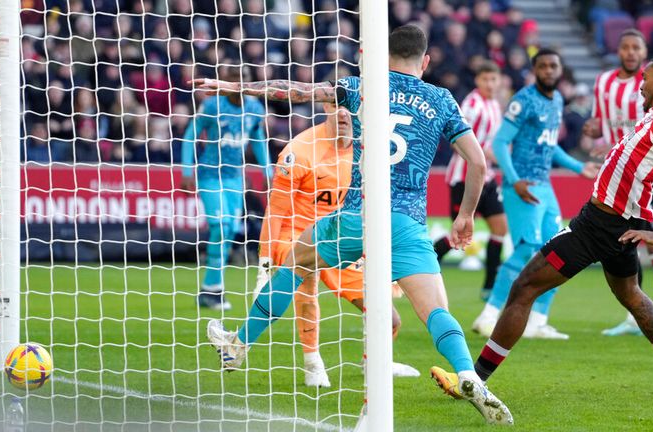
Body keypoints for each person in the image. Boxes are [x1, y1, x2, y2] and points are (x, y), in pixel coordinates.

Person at [195, 25, 513, 425]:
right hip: (408, 223)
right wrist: (465, 216)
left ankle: (239, 344)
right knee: (433, 309)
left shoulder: (360, 86)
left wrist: (232, 86)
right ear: (426, 61)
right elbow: (479, 163)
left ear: (382, 57)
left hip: (356, 215)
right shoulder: (442, 99)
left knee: (295, 264)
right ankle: (468, 375)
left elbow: (294, 91)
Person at [432, 12, 653, 405]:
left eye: (646, 79)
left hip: (599, 224)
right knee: (631, 294)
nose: (640, 87)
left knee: (524, 286)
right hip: (624, 222)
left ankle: (475, 381)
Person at [255, 102, 419, 387]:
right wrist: (264, 263)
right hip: (297, 233)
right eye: (336, 106)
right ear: (325, 108)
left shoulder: (370, 149)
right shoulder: (300, 149)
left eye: (349, 107)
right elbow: (276, 210)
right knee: (306, 284)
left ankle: (376, 362)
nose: (343, 113)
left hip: (341, 237)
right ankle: (312, 362)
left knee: (389, 317)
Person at [470, 48, 599, 340]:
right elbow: (501, 143)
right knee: (528, 250)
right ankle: (487, 315)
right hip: (522, 187)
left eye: (554, 66)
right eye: (543, 66)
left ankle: (537, 321)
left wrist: (579, 167)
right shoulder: (523, 101)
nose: (549, 71)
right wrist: (514, 180)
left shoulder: (555, 101)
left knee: (557, 251)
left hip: (545, 186)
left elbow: (549, 145)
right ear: (534, 70)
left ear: (560, 70)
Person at [582, 29, 653, 336]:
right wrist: (594, 131)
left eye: (635, 47)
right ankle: (634, 317)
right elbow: (601, 125)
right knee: (628, 245)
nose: (629, 52)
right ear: (618, 50)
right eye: (624, 46)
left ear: (643, 51)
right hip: (622, 179)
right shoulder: (603, 83)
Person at [181, 66, 272, 310]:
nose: (239, 82)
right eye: (234, 77)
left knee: (230, 229)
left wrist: (268, 171)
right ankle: (214, 290)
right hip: (210, 175)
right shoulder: (213, 105)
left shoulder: (255, 107)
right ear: (225, 81)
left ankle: (210, 290)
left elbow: (259, 139)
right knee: (220, 225)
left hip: (234, 178)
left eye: (244, 77)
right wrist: (186, 171)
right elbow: (190, 134)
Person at [434, 61, 508, 302]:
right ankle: (420, 268)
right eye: (485, 79)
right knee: (457, 236)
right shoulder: (471, 105)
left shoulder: (495, 105)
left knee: (500, 228)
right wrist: (486, 153)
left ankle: (489, 287)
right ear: (478, 81)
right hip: (463, 178)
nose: (489, 84)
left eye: (493, 80)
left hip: (487, 178)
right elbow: (458, 139)